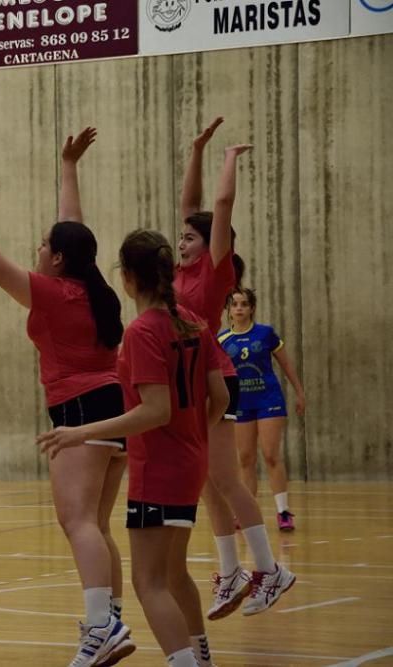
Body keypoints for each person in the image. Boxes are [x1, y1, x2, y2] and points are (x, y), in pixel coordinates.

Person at [0, 128, 134, 667]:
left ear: (57, 260)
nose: (37, 248)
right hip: (116, 408)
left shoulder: (54, 293)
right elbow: (74, 229)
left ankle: (100, 626)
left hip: (79, 411)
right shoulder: (93, 285)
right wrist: (67, 165)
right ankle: (113, 622)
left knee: (76, 522)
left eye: (42, 243)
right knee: (96, 525)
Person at [39, 229, 230, 667]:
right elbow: (219, 397)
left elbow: (155, 411)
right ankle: (202, 657)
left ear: (127, 278)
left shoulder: (144, 331)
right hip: (191, 461)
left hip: (159, 468)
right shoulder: (194, 322)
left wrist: (79, 432)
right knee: (175, 573)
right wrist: (195, 434)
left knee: (150, 584)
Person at [176, 118, 295, 618]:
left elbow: (217, 207)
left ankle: (271, 569)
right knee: (207, 481)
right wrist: (197, 149)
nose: (180, 242)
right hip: (186, 377)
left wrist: (228, 156)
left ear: (209, 243)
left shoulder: (217, 266)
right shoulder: (181, 270)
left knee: (226, 478)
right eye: (179, 238)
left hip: (213, 376)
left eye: (188, 238)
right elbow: (192, 204)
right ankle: (230, 572)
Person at [219, 288, 306, 531]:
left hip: (268, 399)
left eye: (244, 304)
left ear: (251, 308)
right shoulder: (222, 340)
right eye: (235, 304)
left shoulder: (265, 333)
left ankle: (283, 512)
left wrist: (299, 392)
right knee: (245, 458)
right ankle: (247, 513)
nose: (239, 308)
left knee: (270, 454)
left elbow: (286, 363)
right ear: (229, 309)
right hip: (241, 403)